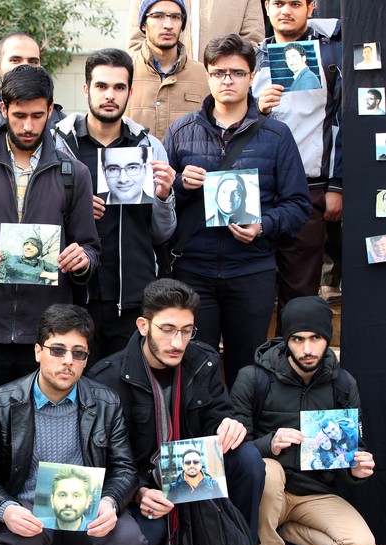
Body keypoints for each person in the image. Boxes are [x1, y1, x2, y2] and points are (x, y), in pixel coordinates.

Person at [0, 64, 100, 460]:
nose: (28, 125)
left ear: (51, 111)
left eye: (38, 115)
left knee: (41, 439)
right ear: (2, 107)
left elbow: (92, 248)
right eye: (19, 115)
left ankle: (28, 516)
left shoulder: (73, 174)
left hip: (44, 336)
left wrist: (81, 259)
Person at [88, 278, 265, 545]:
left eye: (186, 331)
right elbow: (100, 459)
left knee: (248, 460)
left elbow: (217, 414)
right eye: (167, 329)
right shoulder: (107, 378)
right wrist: (139, 491)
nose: (178, 342)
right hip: (140, 485)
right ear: (143, 325)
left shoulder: (203, 361)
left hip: (191, 474)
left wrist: (229, 423)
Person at [164, 33, 311, 388]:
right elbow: (161, 202)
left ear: (251, 76)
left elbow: (299, 205)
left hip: (251, 270)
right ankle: (200, 440)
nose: (227, 80)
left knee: (249, 368)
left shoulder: (276, 135)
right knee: (195, 367)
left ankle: (246, 438)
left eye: (237, 72)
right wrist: (181, 184)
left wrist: (263, 225)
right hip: (194, 269)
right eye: (218, 73)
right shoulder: (181, 131)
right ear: (209, 76)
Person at [0, 303, 146, 545]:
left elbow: (125, 468)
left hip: (87, 509)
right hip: (28, 513)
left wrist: (109, 502)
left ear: (86, 359)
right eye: (58, 350)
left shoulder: (106, 402)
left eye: (78, 353)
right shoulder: (0, 402)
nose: (68, 361)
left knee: (129, 543)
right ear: (38, 351)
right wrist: (7, 509)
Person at [229, 296, 376, 545]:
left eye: (316, 338)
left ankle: (287, 536)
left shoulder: (343, 383)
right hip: (266, 491)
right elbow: (231, 449)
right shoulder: (253, 378)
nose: (307, 349)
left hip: (313, 492)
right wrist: (268, 444)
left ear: (327, 338)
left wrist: (356, 467)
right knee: (269, 470)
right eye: (297, 339)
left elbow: (354, 446)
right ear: (286, 340)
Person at [53, 48, 176, 360]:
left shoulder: (149, 146)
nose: (110, 95)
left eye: (119, 87)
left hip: (133, 297)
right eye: (101, 86)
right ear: (86, 89)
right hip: (73, 295)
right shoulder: (58, 144)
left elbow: (163, 234)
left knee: (130, 392)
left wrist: (163, 197)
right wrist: (75, 212)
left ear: (130, 92)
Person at [253, 0, 342, 334]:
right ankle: (256, 372)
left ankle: (291, 371)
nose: (285, 10)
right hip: (258, 190)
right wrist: (256, 108)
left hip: (310, 186)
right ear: (266, 7)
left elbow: (340, 122)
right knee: (255, 291)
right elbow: (232, 120)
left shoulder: (332, 54)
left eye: (294, 3)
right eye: (278, 3)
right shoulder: (255, 57)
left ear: (311, 6)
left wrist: (337, 184)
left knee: (300, 292)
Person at [125, 0, 210, 141]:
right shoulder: (124, 72)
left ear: (182, 25)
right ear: (144, 24)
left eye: (175, 17)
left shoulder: (203, 76)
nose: (168, 25)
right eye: (158, 16)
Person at [127, 0, 265, 62]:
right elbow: (138, 42)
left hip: (222, 93)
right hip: (161, 90)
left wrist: (226, 76)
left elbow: (252, 43)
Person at [39, 468, 96, 532]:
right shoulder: (38, 525)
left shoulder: (97, 530)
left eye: (76, 496)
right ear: (52, 500)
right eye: (62, 495)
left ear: (88, 501)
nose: (68, 503)